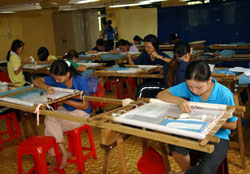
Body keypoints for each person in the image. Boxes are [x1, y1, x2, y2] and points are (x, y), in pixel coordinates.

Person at [157, 60, 237, 174]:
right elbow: (162, 94)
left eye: (199, 87)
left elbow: (233, 125)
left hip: (218, 135)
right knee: (175, 145)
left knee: (205, 171)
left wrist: (211, 123)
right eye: (190, 86)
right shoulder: (189, 86)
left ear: (209, 80)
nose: (194, 91)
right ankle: (186, 171)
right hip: (193, 129)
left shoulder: (224, 94)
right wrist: (180, 101)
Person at [34, 60, 90, 170]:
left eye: (59, 79)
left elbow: (84, 106)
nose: (56, 81)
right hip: (65, 110)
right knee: (49, 118)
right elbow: (36, 81)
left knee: (51, 127)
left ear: (67, 74)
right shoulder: (57, 78)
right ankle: (63, 151)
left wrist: (64, 100)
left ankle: (56, 158)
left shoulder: (80, 81)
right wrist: (47, 88)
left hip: (82, 113)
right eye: (54, 79)